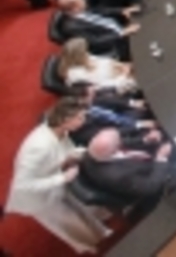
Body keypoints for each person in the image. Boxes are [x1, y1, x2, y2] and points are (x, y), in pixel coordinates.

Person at [6, 99, 110, 253]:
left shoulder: (60, 130)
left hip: (53, 181)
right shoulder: (38, 147)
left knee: (77, 208)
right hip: (37, 199)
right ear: (66, 120)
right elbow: (22, 185)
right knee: (67, 221)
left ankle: (101, 233)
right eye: (80, 117)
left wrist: (79, 154)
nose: (84, 121)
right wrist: (62, 178)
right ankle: (92, 246)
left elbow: (62, 151)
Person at [80, 128, 176, 212]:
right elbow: (150, 187)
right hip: (148, 178)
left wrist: (146, 139)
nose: (121, 140)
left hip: (133, 163)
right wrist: (161, 158)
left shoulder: (94, 151)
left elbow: (121, 143)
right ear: (115, 149)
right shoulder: (119, 177)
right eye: (118, 141)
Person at [55, 0, 138, 60]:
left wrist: (122, 10)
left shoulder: (82, 10)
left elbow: (101, 11)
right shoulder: (72, 28)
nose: (85, 0)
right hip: (115, 44)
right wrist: (122, 33)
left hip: (121, 30)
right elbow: (96, 42)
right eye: (82, 0)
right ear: (75, 9)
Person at [58, 38, 136, 93]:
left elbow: (103, 61)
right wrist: (123, 76)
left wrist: (121, 65)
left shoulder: (84, 56)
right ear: (78, 55)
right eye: (84, 51)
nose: (87, 52)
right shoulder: (75, 74)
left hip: (118, 73)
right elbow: (101, 87)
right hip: (114, 87)